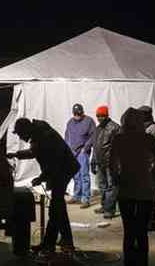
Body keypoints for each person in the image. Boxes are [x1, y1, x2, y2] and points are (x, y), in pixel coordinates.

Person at [7, 117, 80, 255]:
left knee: (55, 209)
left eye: (21, 134)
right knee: (59, 208)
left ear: (26, 129)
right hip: (61, 169)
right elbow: (34, 152)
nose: (21, 138)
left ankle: (48, 245)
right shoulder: (38, 133)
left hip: (63, 170)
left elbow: (53, 163)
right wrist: (16, 154)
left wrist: (41, 178)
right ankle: (66, 240)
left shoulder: (44, 136)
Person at [111, 108, 155, 266]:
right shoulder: (147, 139)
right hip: (145, 191)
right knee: (141, 233)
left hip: (126, 190)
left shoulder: (119, 139)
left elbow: (112, 166)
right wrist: (154, 177)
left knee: (129, 233)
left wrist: (118, 179)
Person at [91, 105, 120, 219]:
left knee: (111, 186)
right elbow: (95, 146)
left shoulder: (115, 128)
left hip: (110, 163)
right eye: (98, 116)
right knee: (102, 186)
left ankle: (110, 209)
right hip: (100, 162)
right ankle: (104, 206)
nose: (99, 118)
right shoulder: (98, 129)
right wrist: (93, 161)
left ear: (107, 115)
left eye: (102, 115)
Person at [64, 103, 95, 208]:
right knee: (76, 175)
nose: (77, 116)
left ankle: (85, 199)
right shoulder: (70, 122)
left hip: (82, 152)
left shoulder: (89, 121)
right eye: (75, 114)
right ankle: (77, 196)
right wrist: (68, 150)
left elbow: (93, 136)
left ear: (82, 112)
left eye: (79, 114)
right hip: (72, 152)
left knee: (84, 175)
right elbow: (67, 136)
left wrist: (85, 148)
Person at [138, 105, 155, 230]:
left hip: (151, 167)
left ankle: (152, 223)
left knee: (152, 198)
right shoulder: (143, 128)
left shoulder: (153, 129)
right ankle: (146, 221)